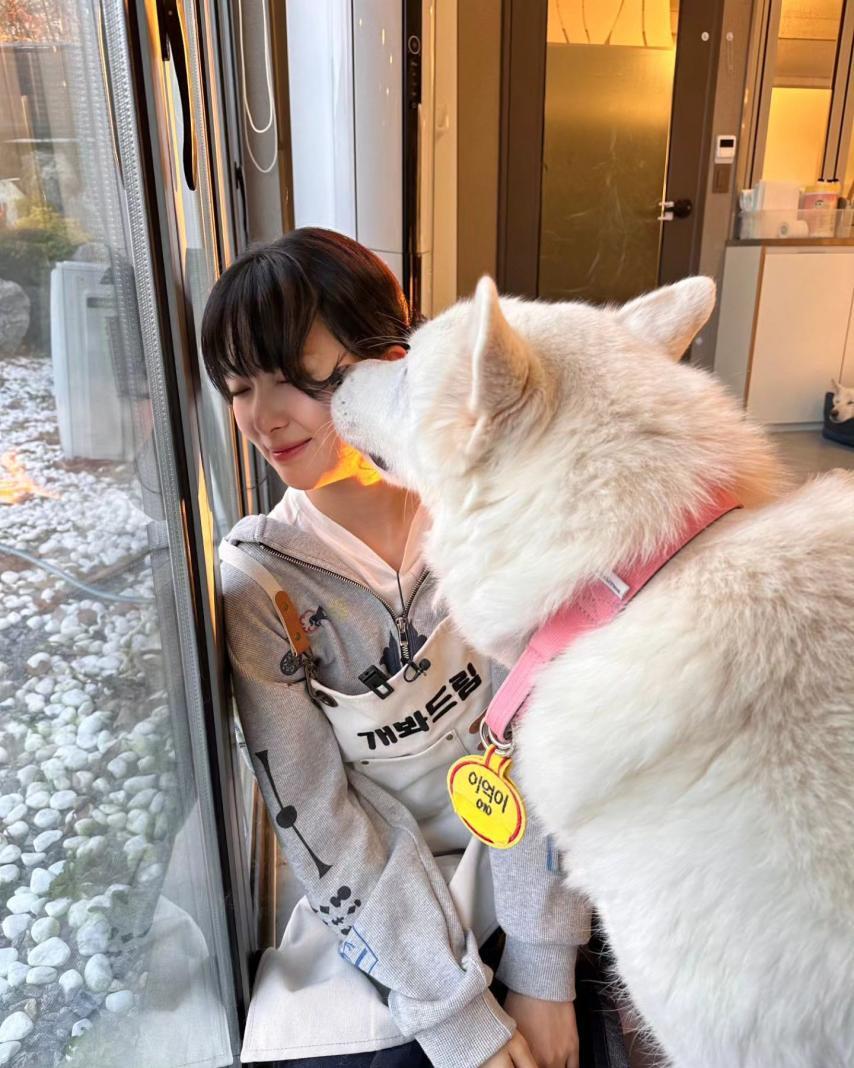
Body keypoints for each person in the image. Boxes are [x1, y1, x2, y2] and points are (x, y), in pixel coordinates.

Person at [201, 228, 590, 1068]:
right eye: (239, 388)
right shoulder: (260, 585)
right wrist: (455, 1014)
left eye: (296, 377)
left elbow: (549, 729)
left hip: (547, 865)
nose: (263, 418)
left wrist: (542, 969)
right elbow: (319, 817)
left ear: (390, 358)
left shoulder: (484, 505)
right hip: (389, 902)